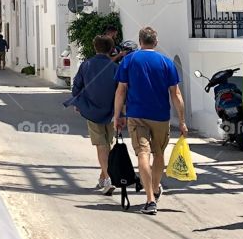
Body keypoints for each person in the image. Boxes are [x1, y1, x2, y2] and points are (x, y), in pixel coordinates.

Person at [112, 26, 188, 215]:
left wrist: (117, 116)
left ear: (140, 42)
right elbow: (176, 93)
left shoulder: (128, 60)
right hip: (161, 116)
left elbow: (121, 90)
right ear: (155, 42)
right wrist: (182, 120)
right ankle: (155, 188)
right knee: (159, 154)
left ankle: (150, 199)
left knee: (142, 154)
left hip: (137, 115)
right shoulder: (166, 62)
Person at [65, 35, 118, 192]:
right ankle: (104, 178)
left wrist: (77, 101)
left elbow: (77, 85)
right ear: (111, 49)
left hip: (92, 109)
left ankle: (107, 179)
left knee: (101, 145)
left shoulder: (86, 65)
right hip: (111, 110)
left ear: (95, 48)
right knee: (108, 143)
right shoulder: (115, 67)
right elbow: (121, 89)